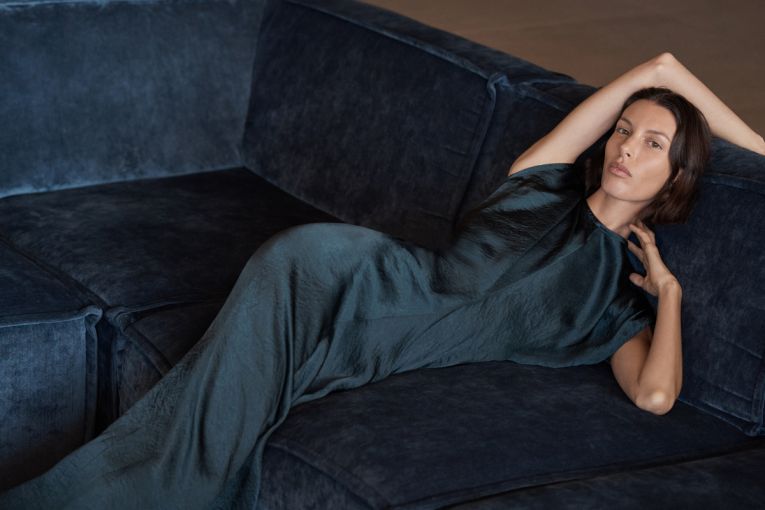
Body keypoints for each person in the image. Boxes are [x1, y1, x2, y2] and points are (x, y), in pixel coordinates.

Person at [1, 52, 763, 510]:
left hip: (363, 339)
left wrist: (669, 297)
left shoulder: (612, 304)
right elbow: (660, 68)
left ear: (676, 176)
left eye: (653, 144)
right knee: (202, 436)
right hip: (330, 274)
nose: (626, 148)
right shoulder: (540, 185)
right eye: (624, 130)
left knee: (209, 429)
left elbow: (655, 396)